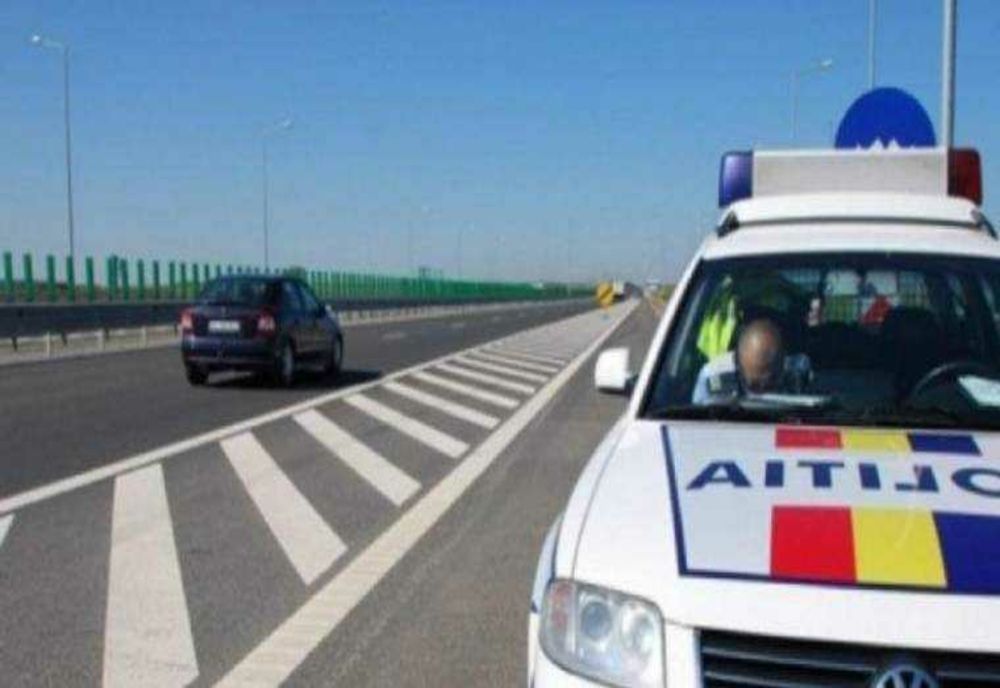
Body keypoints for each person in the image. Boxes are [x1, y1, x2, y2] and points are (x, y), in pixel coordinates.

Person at [692, 318, 796, 404]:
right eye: (754, 386)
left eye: (770, 384)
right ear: (737, 363)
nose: (762, 394)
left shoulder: (799, 374)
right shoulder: (713, 377)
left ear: (783, 362)